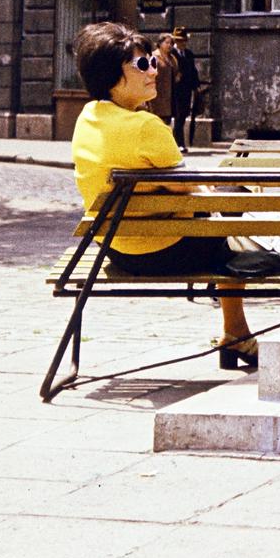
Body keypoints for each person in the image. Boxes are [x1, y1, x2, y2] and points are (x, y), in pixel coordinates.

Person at [70, 22, 258, 368]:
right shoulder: (146, 127)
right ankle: (236, 334)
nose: (152, 70)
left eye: (152, 62)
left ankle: (237, 334)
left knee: (218, 214)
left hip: (116, 248)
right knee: (229, 206)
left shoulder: (87, 118)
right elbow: (187, 186)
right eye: (142, 65)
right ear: (111, 75)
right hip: (164, 250)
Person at [170, 25, 200, 152]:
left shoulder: (188, 54)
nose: (181, 43)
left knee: (183, 116)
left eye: (183, 41)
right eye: (178, 41)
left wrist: (196, 86)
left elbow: (193, 71)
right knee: (178, 116)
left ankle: (178, 142)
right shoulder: (171, 54)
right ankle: (178, 143)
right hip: (175, 90)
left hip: (186, 90)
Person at [148, 31, 178, 125]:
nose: (169, 45)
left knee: (166, 123)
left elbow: (176, 72)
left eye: (171, 43)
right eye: (167, 43)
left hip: (169, 96)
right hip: (156, 96)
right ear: (160, 43)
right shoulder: (153, 57)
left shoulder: (172, 58)